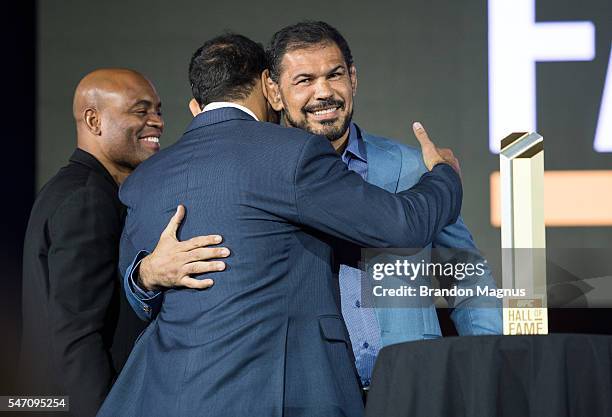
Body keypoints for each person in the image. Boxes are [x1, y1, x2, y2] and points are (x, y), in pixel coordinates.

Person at [97, 34, 462, 417]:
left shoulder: (145, 178)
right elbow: (403, 226)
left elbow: (139, 295)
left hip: (169, 395)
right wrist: (445, 176)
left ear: (195, 104)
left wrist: (146, 274)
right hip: (284, 393)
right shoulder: (291, 153)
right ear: (268, 86)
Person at [262, 21, 503, 391]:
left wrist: (487, 364)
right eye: (305, 80)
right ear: (274, 93)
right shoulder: (262, 180)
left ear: (353, 78)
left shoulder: (414, 166)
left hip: (414, 385)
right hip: (312, 392)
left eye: (335, 75)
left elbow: (466, 275)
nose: (324, 92)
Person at [19, 68, 228, 417]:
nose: (157, 122)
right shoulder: (88, 200)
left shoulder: (86, 190)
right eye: (140, 111)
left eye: (158, 110)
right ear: (93, 120)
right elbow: (75, 336)